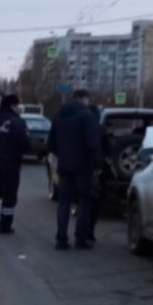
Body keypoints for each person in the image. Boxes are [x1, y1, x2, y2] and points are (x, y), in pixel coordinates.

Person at [47, 89, 101, 250]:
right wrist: (98, 163)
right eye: (87, 100)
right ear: (85, 99)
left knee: (63, 203)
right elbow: (92, 143)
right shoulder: (87, 116)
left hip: (64, 166)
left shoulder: (59, 116)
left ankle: (61, 239)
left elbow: (51, 144)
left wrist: (63, 155)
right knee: (84, 202)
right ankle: (80, 238)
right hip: (83, 168)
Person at [0, 94, 30, 234]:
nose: (19, 109)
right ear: (13, 106)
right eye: (18, 106)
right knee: (9, 195)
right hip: (10, 165)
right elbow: (25, 144)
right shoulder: (16, 122)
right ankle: (5, 226)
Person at [87, 105, 111, 242]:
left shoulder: (81, 128)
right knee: (95, 202)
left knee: (84, 201)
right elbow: (109, 148)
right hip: (98, 170)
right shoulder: (101, 129)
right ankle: (89, 231)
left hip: (83, 169)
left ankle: (82, 232)